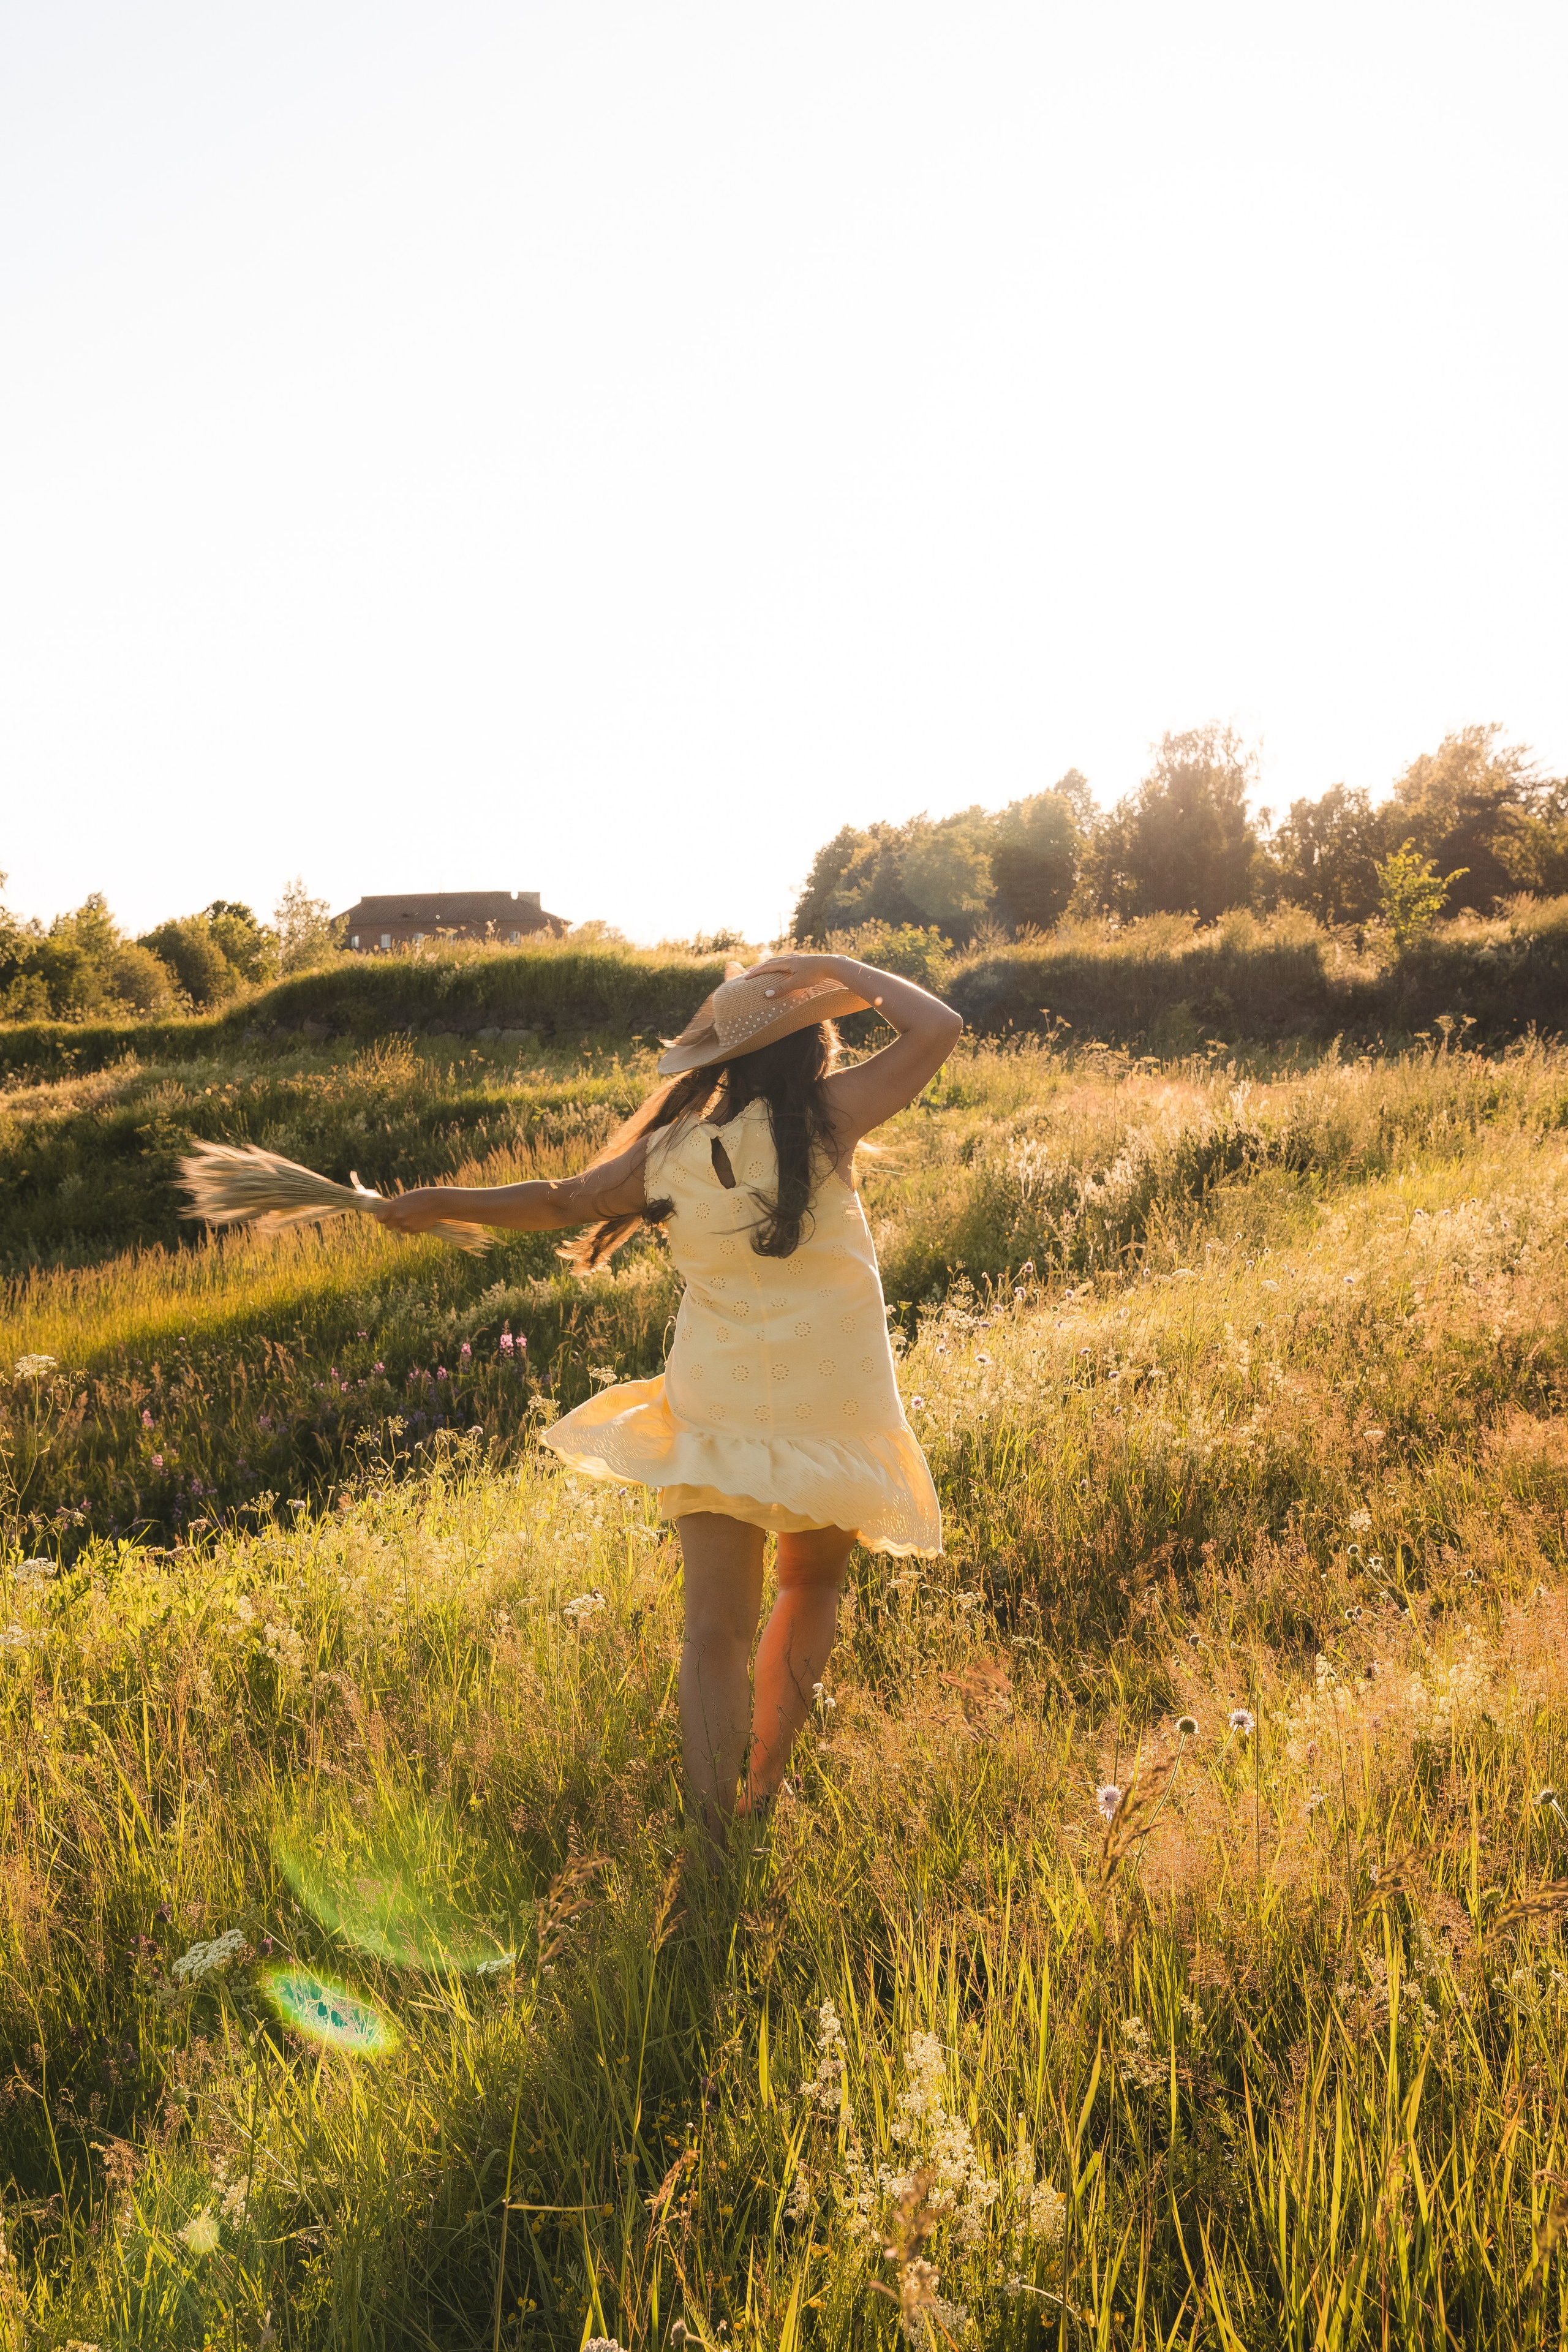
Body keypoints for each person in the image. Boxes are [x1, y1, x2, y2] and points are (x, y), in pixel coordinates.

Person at [372, 951, 962, 1841]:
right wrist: (839, 965)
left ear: (721, 1064)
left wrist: (438, 1199)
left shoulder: (671, 1153)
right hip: (832, 1398)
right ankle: (762, 1791)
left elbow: (557, 1199)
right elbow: (939, 1027)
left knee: (712, 1632)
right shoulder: (830, 1120)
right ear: (814, 1053)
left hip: (718, 1402)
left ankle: (711, 1829)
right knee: (812, 1586)